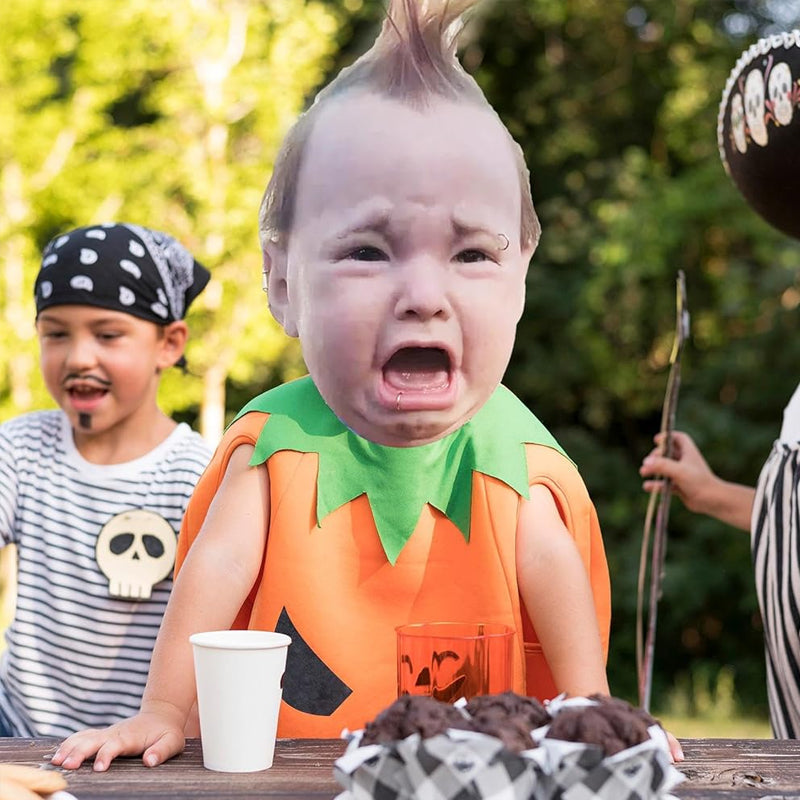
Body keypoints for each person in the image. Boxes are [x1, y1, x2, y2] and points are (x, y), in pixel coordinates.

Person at [51, 0, 639, 771]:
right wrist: (163, 706)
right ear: (283, 279)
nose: (424, 294)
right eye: (367, 250)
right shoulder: (279, 452)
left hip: (478, 773)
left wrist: (591, 709)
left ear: (521, 277)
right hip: (299, 774)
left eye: (471, 255)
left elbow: (555, 576)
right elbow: (216, 573)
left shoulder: (509, 459)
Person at [0, 222, 212, 738]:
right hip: (19, 731)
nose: (78, 357)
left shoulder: (198, 476)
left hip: (142, 743)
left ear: (169, 343)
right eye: (55, 334)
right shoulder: (20, 450)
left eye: (108, 334)